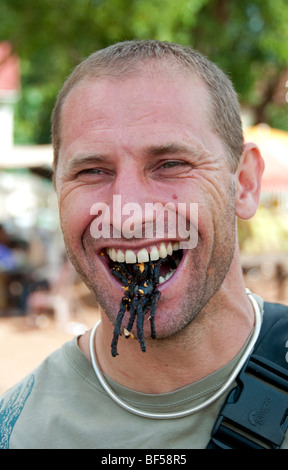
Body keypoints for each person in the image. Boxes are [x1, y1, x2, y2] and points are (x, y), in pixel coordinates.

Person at [0, 39, 287, 450]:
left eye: (171, 164)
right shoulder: (17, 432)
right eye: (92, 171)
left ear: (244, 184)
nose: (128, 214)